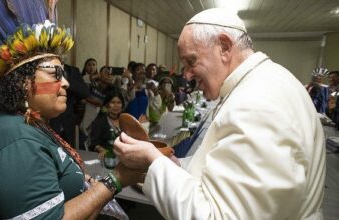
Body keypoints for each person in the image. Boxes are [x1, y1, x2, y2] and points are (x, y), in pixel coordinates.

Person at [114, 8, 325, 219]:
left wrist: (153, 160)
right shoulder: (270, 79)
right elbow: (223, 171)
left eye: (191, 61)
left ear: (224, 47)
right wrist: (177, 166)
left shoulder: (256, 103)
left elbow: (219, 215)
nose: (186, 75)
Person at [0, 1, 142, 219]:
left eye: (64, 74)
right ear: (23, 83)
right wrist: (117, 179)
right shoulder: (15, 141)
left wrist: (86, 189)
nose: (65, 83)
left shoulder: (28, 123)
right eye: (55, 74)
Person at [88, 90, 124, 157]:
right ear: (107, 105)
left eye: (119, 102)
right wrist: (102, 150)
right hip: (108, 157)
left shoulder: (126, 120)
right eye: (113, 102)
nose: (116, 105)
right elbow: (93, 143)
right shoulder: (99, 122)